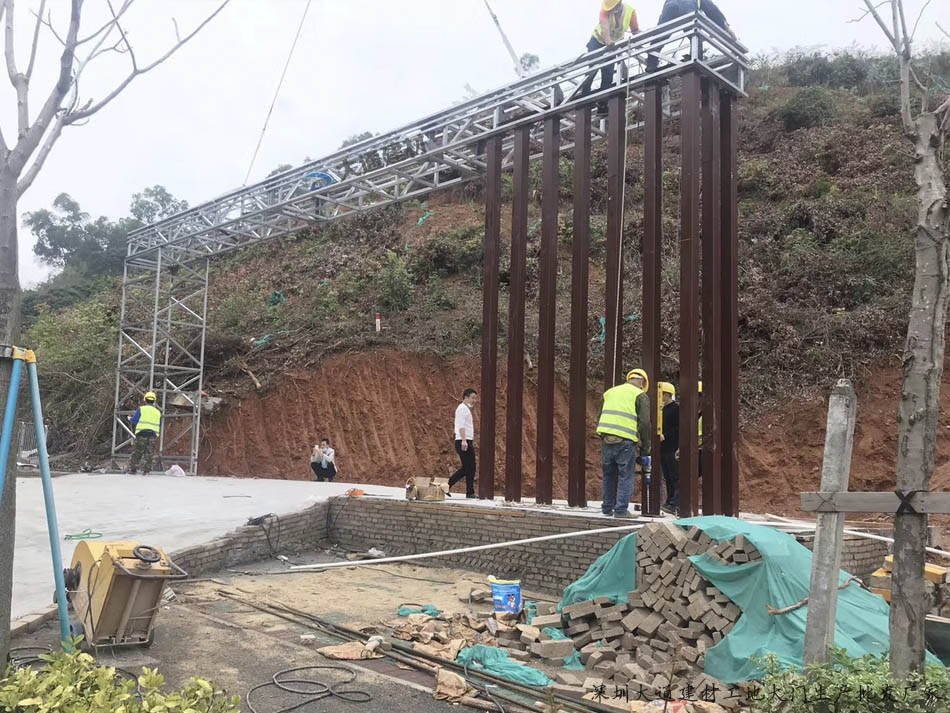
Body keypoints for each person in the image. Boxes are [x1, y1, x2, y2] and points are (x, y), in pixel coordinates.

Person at [596, 368, 652, 518]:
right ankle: (621, 510)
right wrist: (646, 447)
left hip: (607, 439)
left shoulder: (610, 392)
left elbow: (600, 416)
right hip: (625, 442)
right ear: (641, 382)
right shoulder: (640, 395)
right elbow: (645, 423)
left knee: (608, 475)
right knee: (625, 476)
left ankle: (607, 508)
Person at [645, 0, 737, 74]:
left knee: (660, 35)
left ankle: (651, 65)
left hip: (669, 6)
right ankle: (696, 63)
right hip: (688, 6)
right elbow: (712, 10)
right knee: (695, 35)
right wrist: (726, 27)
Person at [579, 0, 640, 105]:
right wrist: (608, 41)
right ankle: (584, 95)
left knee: (608, 72)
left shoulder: (630, 11)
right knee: (593, 67)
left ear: (618, 4)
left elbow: (635, 31)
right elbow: (605, 27)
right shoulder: (604, 10)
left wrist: (644, 36)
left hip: (613, 46)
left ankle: (603, 103)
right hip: (598, 41)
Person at [448, 388, 478, 498]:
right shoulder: (462, 409)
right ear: (466, 397)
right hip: (463, 441)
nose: (474, 401)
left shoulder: (465, 409)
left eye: (475, 399)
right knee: (470, 467)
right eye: (472, 398)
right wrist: (464, 440)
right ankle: (469, 492)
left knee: (468, 467)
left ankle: (447, 486)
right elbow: (461, 426)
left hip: (465, 440)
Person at [128, 391, 161, 475]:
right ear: (154, 401)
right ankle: (146, 471)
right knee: (149, 453)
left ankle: (133, 469)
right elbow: (159, 424)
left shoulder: (141, 409)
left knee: (138, 451)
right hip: (152, 435)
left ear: (145, 400)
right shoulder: (157, 412)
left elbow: (134, 421)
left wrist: (129, 418)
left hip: (142, 433)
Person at [658, 382, 679, 513]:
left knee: (674, 475)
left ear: (666, 395)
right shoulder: (661, 410)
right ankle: (670, 500)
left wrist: (665, 436)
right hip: (663, 448)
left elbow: (678, 428)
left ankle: (674, 503)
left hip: (672, 448)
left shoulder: (676, 409)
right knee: (667, 476)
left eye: (661, 395)